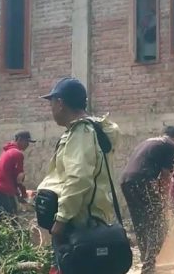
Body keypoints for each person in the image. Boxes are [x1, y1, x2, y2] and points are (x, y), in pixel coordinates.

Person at [36, 78, 121, 273]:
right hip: (94, 220)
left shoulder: (81, 132)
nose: (50, 108)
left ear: (60, 102)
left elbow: (78, 179)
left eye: (51, 102)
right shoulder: (96, 129)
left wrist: (61, 220)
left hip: (77, 223)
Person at [120, 126, 174, 274]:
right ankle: (149, 267)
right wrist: (166, 201)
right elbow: (166, 176)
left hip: (125, 181)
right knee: (158, 222)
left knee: (141, 222)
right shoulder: (171, 146)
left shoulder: (148, 141)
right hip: (143, 180)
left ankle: (144, 259)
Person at [0, 130, 36, 215]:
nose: (28, 144)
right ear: (19, 139)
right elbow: (19, 178)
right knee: (12, 220)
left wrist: (17, 193)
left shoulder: (6, 152)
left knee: (1, 220)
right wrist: (24, 194)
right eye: (26, 141)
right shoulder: (17, 153)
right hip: (5, 191)